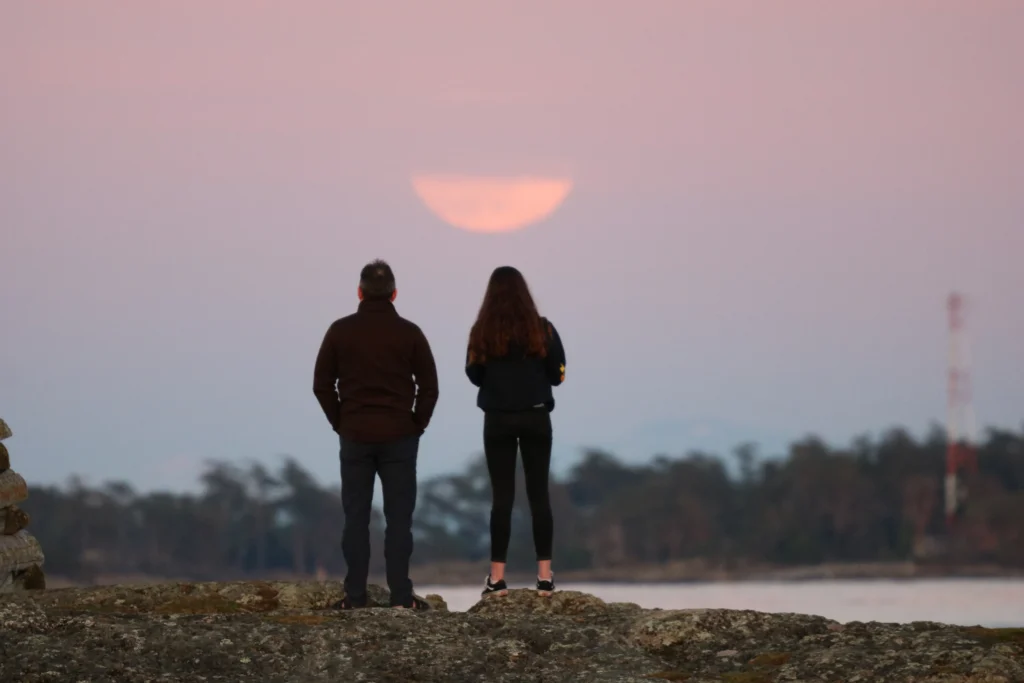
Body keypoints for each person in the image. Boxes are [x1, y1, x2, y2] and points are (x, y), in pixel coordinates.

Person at [313, 259, 438, 610]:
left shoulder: (340, 331)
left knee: (356, 519)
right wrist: (417, 424)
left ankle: (355, 597)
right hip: (400, 436)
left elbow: (321, 385)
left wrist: (340, 421)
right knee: (399, 521)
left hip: (355, 435)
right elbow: (430, 386)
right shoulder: (410, 333)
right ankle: (401, 597)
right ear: (394, 293)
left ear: (359, 292)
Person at [465, 266, 566, 598]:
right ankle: (545, 578)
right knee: (539, 497)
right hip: (537, 416)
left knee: (502, 498)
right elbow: (558, 375)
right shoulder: (544, 329)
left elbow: (474, 374)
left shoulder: (482, 331)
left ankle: (497, 579)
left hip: (498, 419)